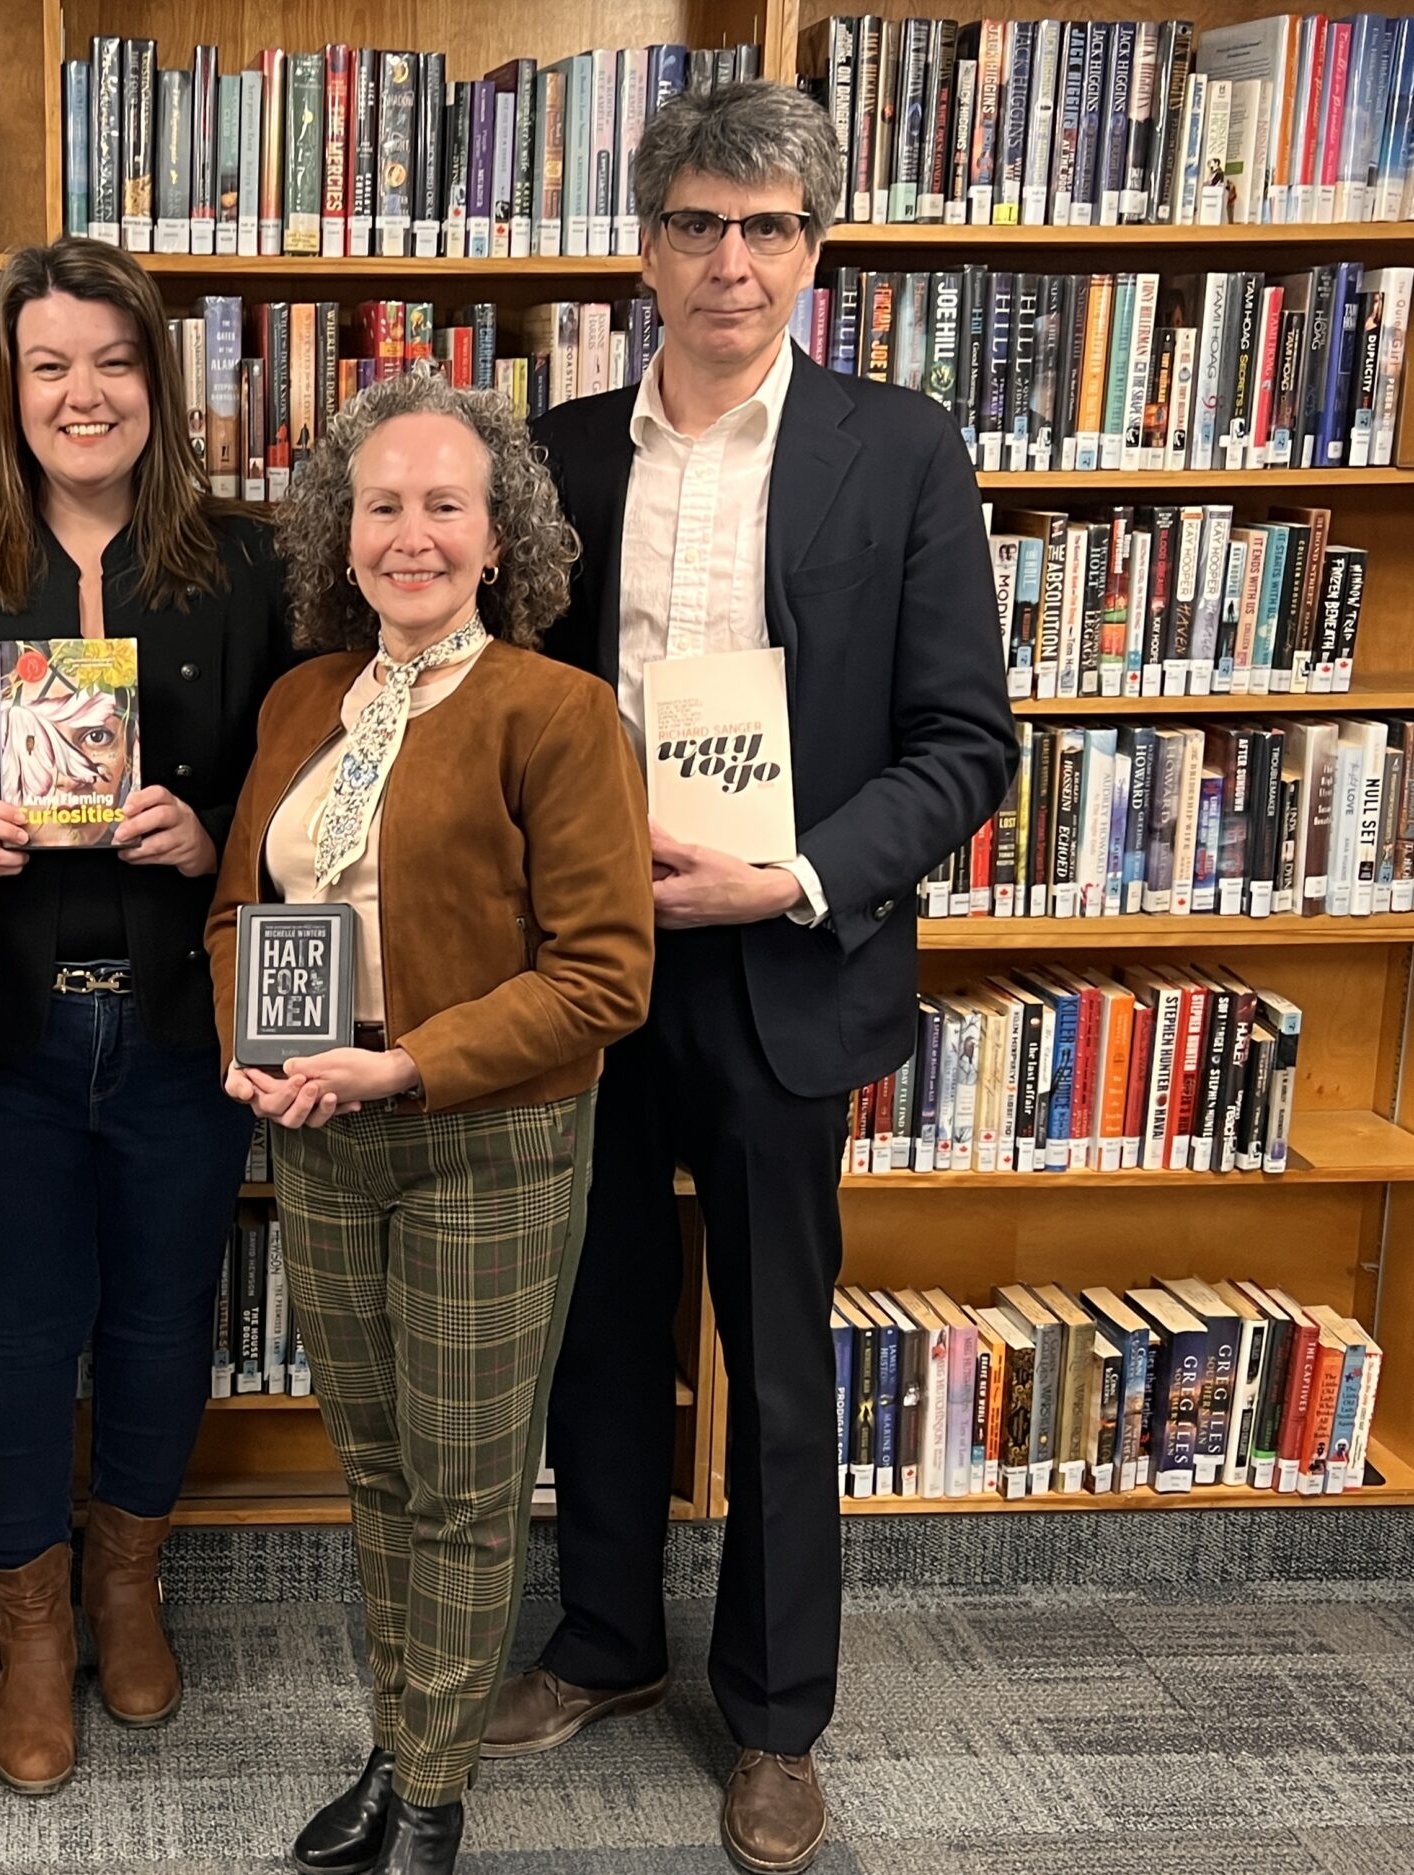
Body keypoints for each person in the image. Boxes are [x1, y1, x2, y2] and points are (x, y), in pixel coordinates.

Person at [485, 82, 1017, 1875]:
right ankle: (606, 1641)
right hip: (592, 962)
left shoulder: (901, 449)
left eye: (771, 227)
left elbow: (964, 741)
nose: (734, 260)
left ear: (814, 250)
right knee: (597, 1323)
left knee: (782, 1355)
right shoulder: (558, 453)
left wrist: (788, 877)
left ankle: (780, 1716)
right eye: (701, 224)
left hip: (788, 958)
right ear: (645, 248)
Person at [0, 239, 287, 1796]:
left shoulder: (247, 566)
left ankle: (126, 1581)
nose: (82, 392)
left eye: (113, 360)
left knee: (164, 1321)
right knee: (16, 1336)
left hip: (179, 1025)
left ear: (156, 380)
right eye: (50, 365)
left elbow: (322, 782)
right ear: (10, 389)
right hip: (1, 1038)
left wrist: (214, 834)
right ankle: (31, 1624)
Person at [205, 372, 655, 1875]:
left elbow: (603, 978)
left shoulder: (558, 712)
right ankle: (405, 1746)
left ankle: (433, 1794)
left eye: (444, 506)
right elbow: (238, 913)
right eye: (382, 505)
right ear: (342, 536)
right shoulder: (299, 702)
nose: (412, 534)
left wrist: (403, 1067)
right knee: (379, 1469)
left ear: (498, 533)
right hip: (321, 1132)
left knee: (464, 1484)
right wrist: (254, 1050)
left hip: (489, 1139)